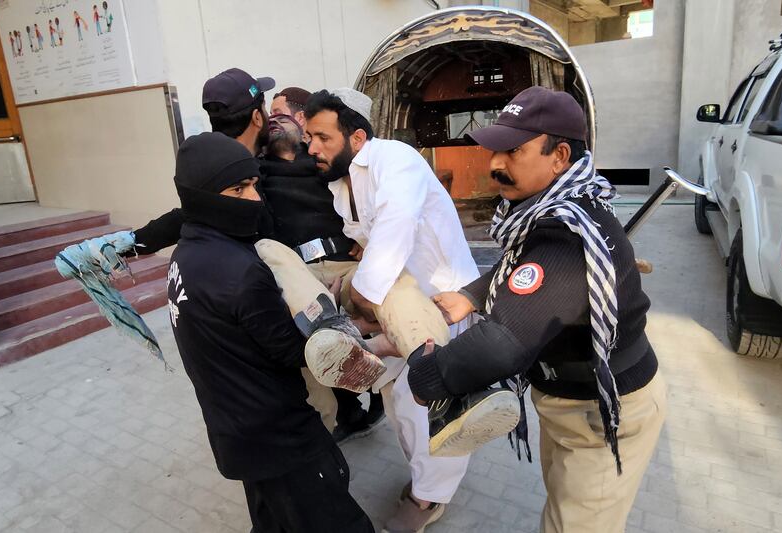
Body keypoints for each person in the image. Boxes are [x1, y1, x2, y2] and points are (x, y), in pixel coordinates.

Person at [406, 86, 667, 533]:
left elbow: (502, 344)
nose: (494, 164)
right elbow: (525, 268)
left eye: (513, 151)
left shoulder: (567, 231)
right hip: (568, 400)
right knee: (563, 506)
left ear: (559, 155)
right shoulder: (550, 209)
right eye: (494, 150)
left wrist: (426, 374)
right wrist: (471, 294)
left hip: (603, 413)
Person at [291, 89, 519, 532]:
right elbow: (372, 237)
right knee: (399, 400)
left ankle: (430, 496)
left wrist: (361, 299)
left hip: (441, 305)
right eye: (308, 137)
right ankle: (425, 469)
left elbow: (395, 227)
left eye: (321, 137)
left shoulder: (395, 159)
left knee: (423, 403)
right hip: (396, 305)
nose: (311, 147)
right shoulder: (343, 182)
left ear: (357, 137)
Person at [167, 131, 374, 533]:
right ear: (203, 195)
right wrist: (347, 326)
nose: (255, 199)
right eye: (238, 188)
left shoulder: (185, 256)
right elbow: (295, 353)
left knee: (273, 521)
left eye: (254, 185)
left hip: (235, 428)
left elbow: (236, 330)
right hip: (281, 436)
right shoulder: (240, 271)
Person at [265, 97, 386, 443]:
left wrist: (368, 238)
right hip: (299, 274)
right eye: (270, 116)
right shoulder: (258, 173)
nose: (276, 120)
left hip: (345, 263)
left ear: (302, 123)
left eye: (283, 114)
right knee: (316, 339)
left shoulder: (324, 164)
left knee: (384, 302)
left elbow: (365, 198)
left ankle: (402, 384)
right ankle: (340, 418)